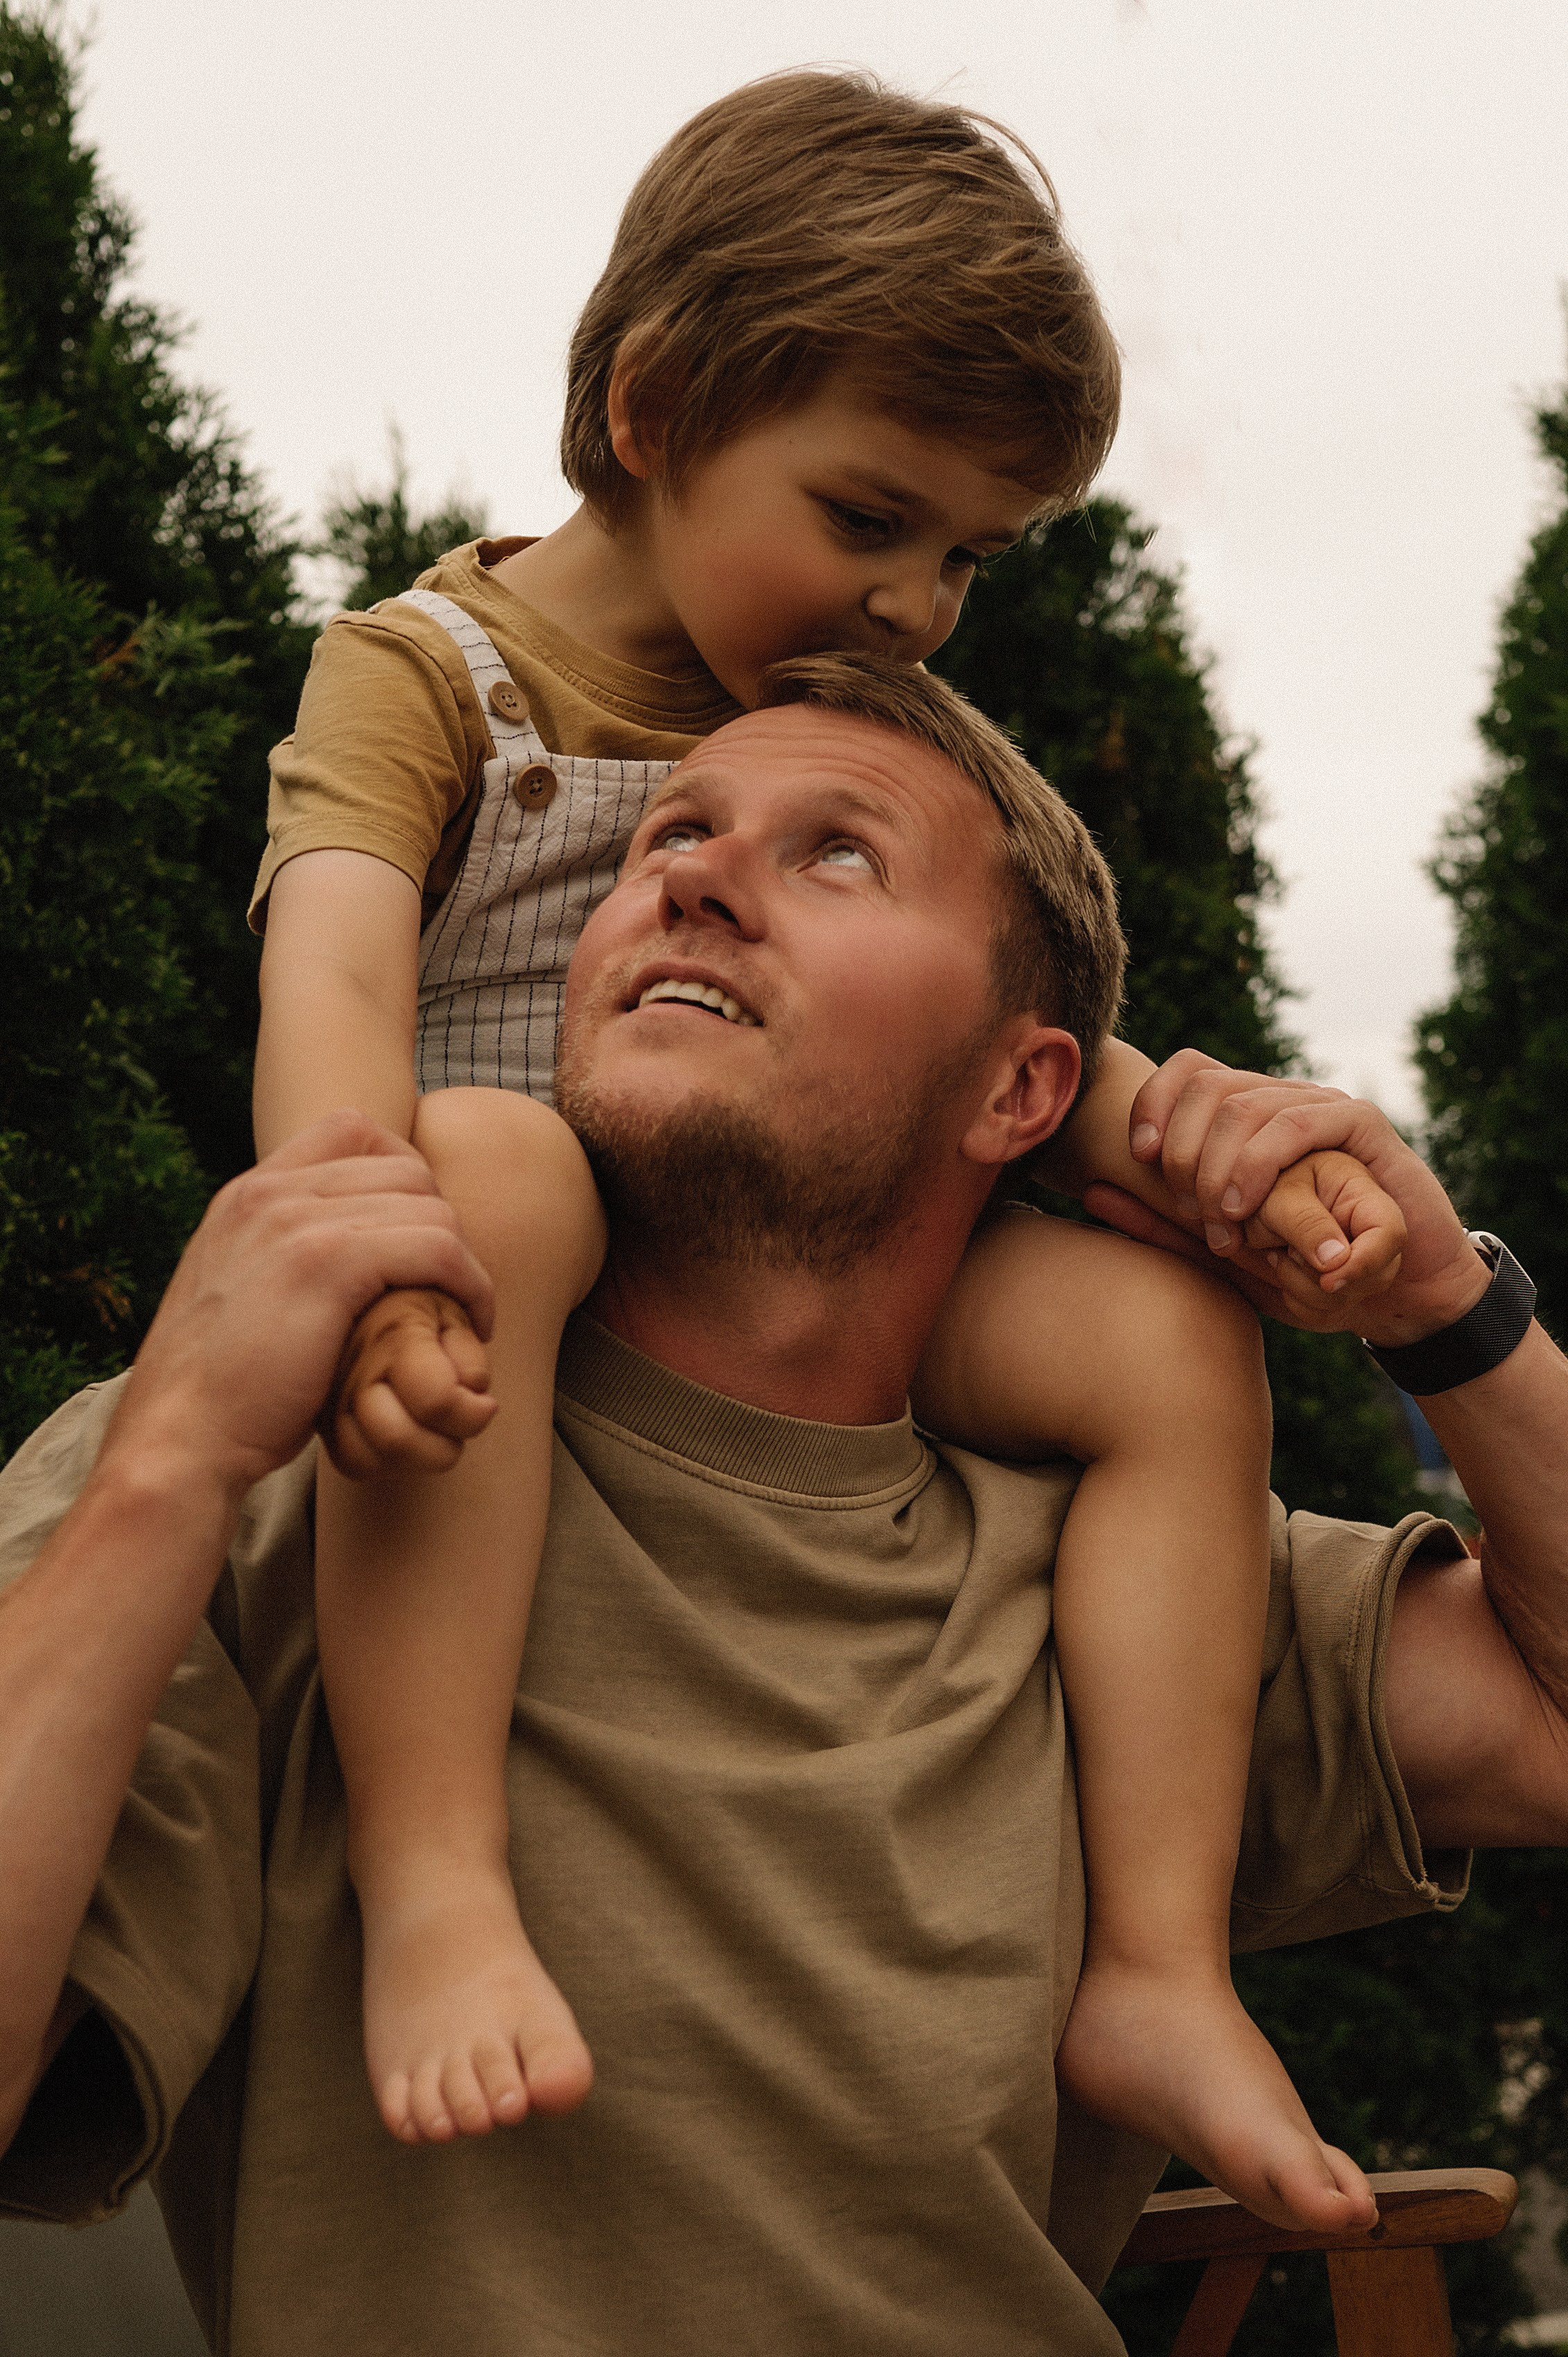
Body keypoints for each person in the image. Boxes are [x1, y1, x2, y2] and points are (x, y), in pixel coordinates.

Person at [3, 675, 1564, 2357]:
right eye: (672, 833)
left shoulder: (1129, 1587)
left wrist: (1446, 1308)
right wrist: (166, 1462)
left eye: (838, 855)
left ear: (1025, 1089)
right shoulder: (271, 1478)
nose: (695, 875)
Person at [248, 69, 1392, 2224]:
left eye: (964, 555)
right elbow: (329, 972)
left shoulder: (814, 716)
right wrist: (363, 1254)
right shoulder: (427, 677)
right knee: (493, 1166)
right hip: (504, 1273)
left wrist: (1224, 1155)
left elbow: (1003, 1032)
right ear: (656, 407)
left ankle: (1152, 1966)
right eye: (872, 519)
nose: (916, 602)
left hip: (775, 1266)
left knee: (1156, 1338)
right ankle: (434, 1874)